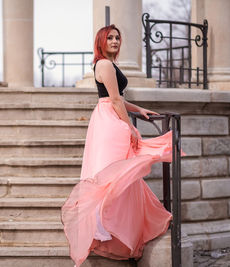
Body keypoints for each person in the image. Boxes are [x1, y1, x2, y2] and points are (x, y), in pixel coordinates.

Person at [61, 24, 177, 267]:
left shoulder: (108, 64)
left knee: (117, 176)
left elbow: (117, 98)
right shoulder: (103, 64)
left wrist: (139, 110)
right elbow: (114, 99)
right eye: (110, 38)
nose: (114, 41)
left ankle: (106, 226)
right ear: (101, 42)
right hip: (110, 121)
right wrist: (131, 127)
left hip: (109, 115)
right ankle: (99, 226)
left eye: (117, 38)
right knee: (111, 175)